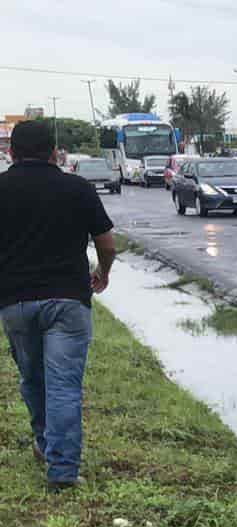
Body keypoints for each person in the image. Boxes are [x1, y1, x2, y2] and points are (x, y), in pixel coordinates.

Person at [0, 119, 116, 490]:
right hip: (68, 301)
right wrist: (104, 271)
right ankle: (62, 470)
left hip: (15, 302)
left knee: (32, 378)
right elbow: (107, 242)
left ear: (11, 153)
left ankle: (44, 441)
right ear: (54, 152)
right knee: (63, 385)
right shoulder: (77, 187)